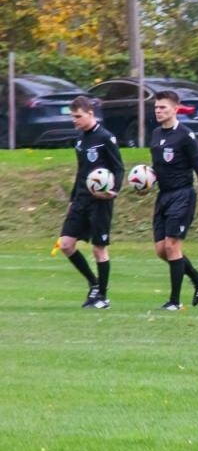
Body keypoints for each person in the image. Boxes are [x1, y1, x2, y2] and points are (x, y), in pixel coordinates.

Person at [148, 89, 198, 311]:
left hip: (183, 195)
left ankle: (175, 301)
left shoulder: (186, 136)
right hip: (163, 196)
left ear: (175, 109)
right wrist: (145, 181)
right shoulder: (156, 134)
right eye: (156, 107)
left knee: (172, 245)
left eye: (163, 107)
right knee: (161, 250)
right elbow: (158, 169)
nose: (158, 111)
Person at [58, 95, 122, 309]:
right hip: (81, 200)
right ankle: (93, 284)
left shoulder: (105, 137)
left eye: (78, 116)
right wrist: (72, 199)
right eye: (72, 117)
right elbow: (81, 172)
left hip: (100, 201)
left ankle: (102, 296)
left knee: (99, 249)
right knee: (65, 244)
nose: (74, 120)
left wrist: (114, 191)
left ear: (90, 114)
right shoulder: (79, 140)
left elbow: (118, 168)